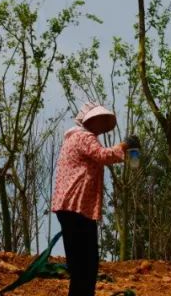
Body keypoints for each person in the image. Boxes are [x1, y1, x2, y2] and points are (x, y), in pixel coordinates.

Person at [51, 102, 129, 296]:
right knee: (86, 265)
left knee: (81, 265)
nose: (101, 125)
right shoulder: (83, 137)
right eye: (99, 120)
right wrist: (124, 146)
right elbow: (102, 155)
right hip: (76, 207)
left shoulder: (72, 138)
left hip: (71, 206)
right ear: (90, 120)